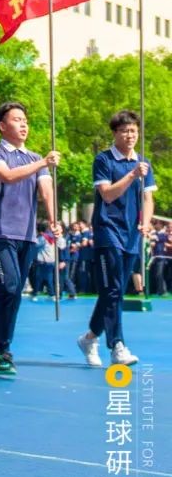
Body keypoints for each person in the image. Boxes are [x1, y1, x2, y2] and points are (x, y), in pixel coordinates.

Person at [0, 101, 59, 376]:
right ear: (2, 125)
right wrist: (43, 162)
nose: (23, 124)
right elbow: (7, 177)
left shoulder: (34, 158)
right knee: (9, 288)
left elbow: (46, 190)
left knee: (12, 295)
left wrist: (54, 220)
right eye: (16, 119)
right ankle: (3, 349)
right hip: (0, 233)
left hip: (27, 235)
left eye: (25, 119)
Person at [78, 110, 156, 368]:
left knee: (115, 292)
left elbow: (147, 198)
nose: (130, 135)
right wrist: (132, 174)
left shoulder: (144, 163)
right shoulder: (104, 160)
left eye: (134, 130)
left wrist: (145, 222)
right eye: (124, 130)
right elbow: (108, 195)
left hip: (132, 234)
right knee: (112, 289)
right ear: (115, 133)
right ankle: (117, 345)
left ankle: (90, 338)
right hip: (108, 231)